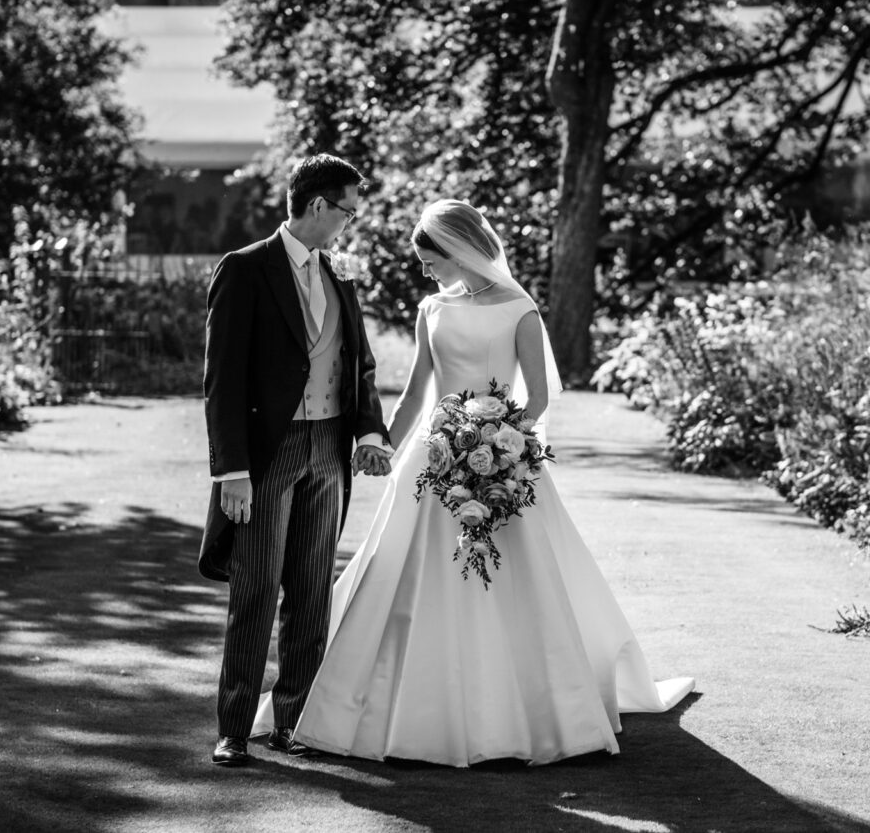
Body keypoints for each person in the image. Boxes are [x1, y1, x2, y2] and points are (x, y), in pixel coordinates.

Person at [258, 199, 694, 766]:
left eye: (428, 259)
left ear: (458, 250)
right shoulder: (431, 308)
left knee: (515, 581)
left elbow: (536, 396)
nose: (424, 270)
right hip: (431, 459)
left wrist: (493, 440)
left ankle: (520, 712)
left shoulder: (519, 309)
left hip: (500, 453)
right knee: (400, 571)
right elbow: (418, 390)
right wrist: (381, 442)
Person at [199, 154, 393, 768]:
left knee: (312, 592)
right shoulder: (246, 269)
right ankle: (233, 727)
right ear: (318, 207)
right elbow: (221, 380)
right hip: (267, 456)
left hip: (330, 449)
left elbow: (357, 363)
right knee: (255, 591)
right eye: (347, 212)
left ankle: (293, 723)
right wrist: (231, 471)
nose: (348, 225)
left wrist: (369, 433)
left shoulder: (341, 276)